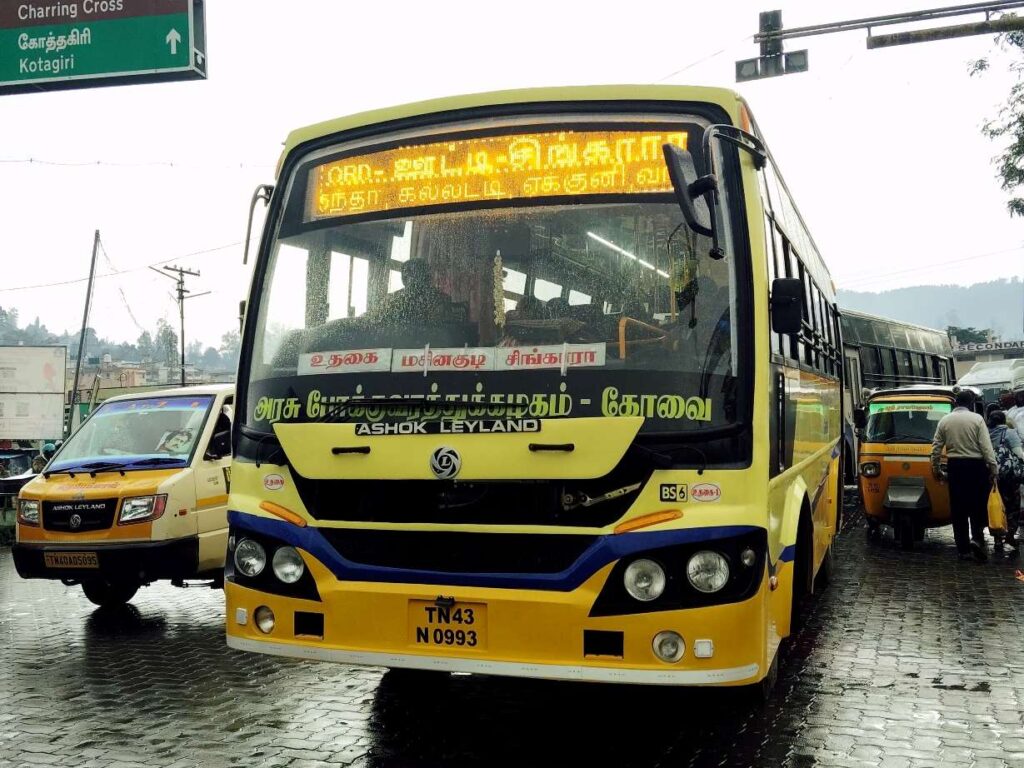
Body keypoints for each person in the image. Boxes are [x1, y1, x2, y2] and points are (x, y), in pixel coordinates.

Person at [931, 389, 998, 562]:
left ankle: (962, 549)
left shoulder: (945, 421)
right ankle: (977, 539)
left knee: (958, 510)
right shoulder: (977, 419)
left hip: (956, 467)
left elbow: (936, 448)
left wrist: (937, 469)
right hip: (976, 467)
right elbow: (986, 447)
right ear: (971, 404)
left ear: (955, 403)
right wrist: (993, 469)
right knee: (977, 506)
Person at [988, 409, 1023, 552]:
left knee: (996, 505)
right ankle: (1009, 536)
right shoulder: (1009, 433)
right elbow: (1018, 453)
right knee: (1012, 507)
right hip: (1008, 478)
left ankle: (997, 539)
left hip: (991, 477)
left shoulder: (985, 433)